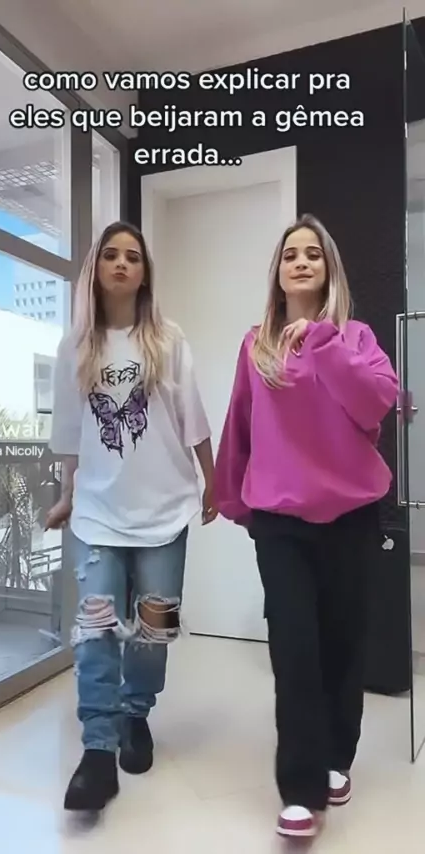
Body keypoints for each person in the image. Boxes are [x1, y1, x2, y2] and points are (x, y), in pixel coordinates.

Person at [214, 214, 398, 840]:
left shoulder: (355, 338)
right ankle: (300, 788)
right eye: (290, 253)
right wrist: (232, 498)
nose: (300, 261)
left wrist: (322, 340)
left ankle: (336, 757)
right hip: (281, 522)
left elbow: (376, 403)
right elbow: (240, 423)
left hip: (351, 516)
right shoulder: (255, 345)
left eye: (312, 253)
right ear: (278, 272)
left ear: (328, 268)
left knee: (343, 645)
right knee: (294, 651)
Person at [46, 221, 217, 813]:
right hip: (97, 513)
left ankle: (135, 714)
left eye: (133, 257)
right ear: (96, 269)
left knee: (153, 628)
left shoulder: (167, 340)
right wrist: (66, 496)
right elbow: (70, 433)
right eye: (111, 255)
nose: (122, 264)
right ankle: (97, 749)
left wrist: (213, 481)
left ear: (145, 273)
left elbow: (194, 418)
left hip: (164, 512)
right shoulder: (75, 346)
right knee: (96, 626)